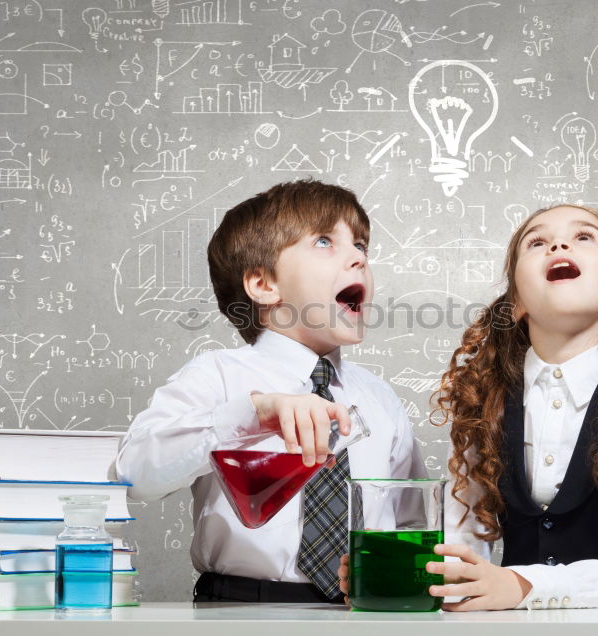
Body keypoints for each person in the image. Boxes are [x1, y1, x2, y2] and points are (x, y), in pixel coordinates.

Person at [340, 203, 598, 610]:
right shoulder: (483, 401)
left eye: (584, 237)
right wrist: (404, 575)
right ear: (517, 303)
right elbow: (461, 543)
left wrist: (524, 586)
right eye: (537, 242)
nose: (558, 243)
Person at [115, 179, 425, 604]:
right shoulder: (218, 376)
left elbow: (411, 516)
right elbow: (134, 475)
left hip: (364, 609)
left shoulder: (380, 398)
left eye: (361, 246)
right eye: (323, 241)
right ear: (263, 285)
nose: (358, 258)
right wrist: (250, 415)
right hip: (239, 611)